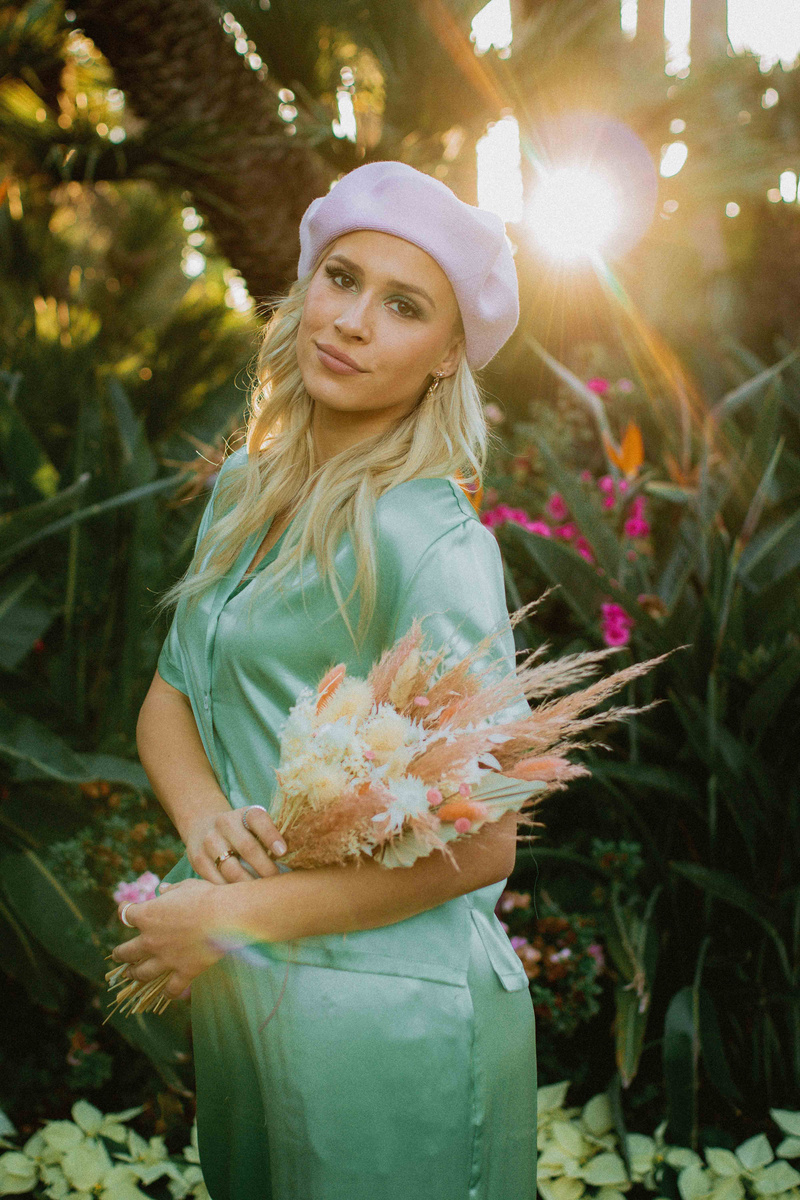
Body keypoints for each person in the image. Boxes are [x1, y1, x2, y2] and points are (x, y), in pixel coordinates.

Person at [111, 160, 538, 1200]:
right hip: (254, 995)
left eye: (401, 306)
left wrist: (227, 917)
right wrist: (206, 817)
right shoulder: (249, 490)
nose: (350, 321)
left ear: (446, 357)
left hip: (393, 1018)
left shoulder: (427, 544)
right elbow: (171, 695)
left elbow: (487, 839)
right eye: (340, 280)